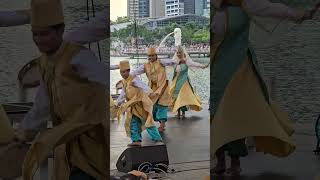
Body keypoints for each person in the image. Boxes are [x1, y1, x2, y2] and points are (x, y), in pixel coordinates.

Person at [211, 0, 317, 176]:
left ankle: (235, 161)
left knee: (233, 114)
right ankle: (220, 159)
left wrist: (302, 14)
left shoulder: (245, 4)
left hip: (239, 68)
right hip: (216, 67)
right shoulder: (213, 10)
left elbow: (273, 9)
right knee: (214, 113)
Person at [14, 0, 109, 179]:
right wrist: (24, 133)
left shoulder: (79, 57)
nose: (39, 40)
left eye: (45, 34)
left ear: (60, 31)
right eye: (35, 34)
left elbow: (106, 82)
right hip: (64, 144)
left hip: (91, 142)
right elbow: (42, 104)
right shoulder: (44, 63)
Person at [115, 61, 163, 147]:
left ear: (128, 71)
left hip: (141, 104)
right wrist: (118, 102)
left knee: (147, 121)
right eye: (121, 72)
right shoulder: (124, 81)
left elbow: (143, 86)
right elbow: (123, 93)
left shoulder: (134, 79)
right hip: (132, 106)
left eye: (124, 72)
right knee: (133, 122)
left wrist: (150, 92)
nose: (122, 74)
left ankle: (157, 138)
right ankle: (136, 140)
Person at [131, 47, 177, 132]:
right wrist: (128, 77)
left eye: (152, 56)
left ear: (156, 55)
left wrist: (179, 60)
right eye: (149, 56)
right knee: (152, 105)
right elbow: (135, 72)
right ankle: (157, 121)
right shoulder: (145, 65)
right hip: (152, 89)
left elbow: (172, 61)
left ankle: (162, 125)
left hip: (163, 87)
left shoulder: (161, 62)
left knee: (162, 105)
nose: (151, 58)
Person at [170, 45, 206, 119]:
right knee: (176, 96)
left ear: (182, 53)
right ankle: (178, 112)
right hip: (177, 81)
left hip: (184, 81)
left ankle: (183, 113)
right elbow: (167, 63)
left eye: (180, 53)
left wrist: (203, 66)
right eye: (177, 53)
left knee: (183, 97)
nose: (178, 54)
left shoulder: (187, 61)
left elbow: (194, 64)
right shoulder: (175, 61)